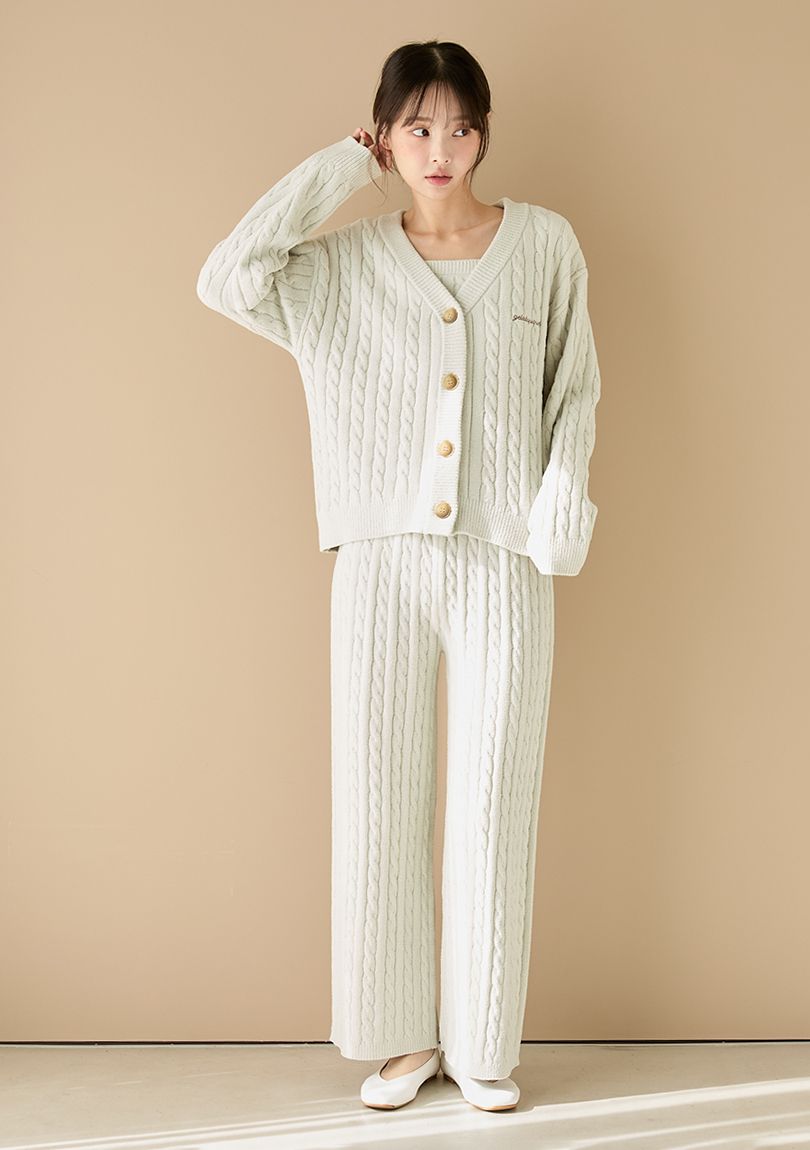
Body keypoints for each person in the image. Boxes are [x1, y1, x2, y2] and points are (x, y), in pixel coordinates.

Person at [196, 39, 601, 1113]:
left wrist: (560, 501)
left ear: (484, 133)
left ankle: (482, 1042)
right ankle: (400, 1039)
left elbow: (576, 388)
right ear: (385, 134)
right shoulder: (336, 267)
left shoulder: (545, 244)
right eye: (415, 127)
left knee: (494, 802)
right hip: (378, 562)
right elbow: (227, 277)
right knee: (377, 801)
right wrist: (340, 166)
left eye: (459, 126)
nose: (440, 148)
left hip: (504, 560)